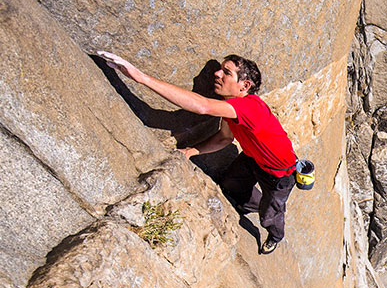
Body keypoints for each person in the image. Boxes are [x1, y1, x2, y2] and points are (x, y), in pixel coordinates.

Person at [98, 51, 297, 255]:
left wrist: (140, 77)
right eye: (220, 68)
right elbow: (224, 138)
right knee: (230, 185)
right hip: (252, 157)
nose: (217, 74)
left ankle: (275, 234)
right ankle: (255, 204)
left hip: (279, 173)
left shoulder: (249, 107)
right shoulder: (230, 107)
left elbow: (202, 106)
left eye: (226, 72)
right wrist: (191, 151)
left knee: (269, 215)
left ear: (244, 86)